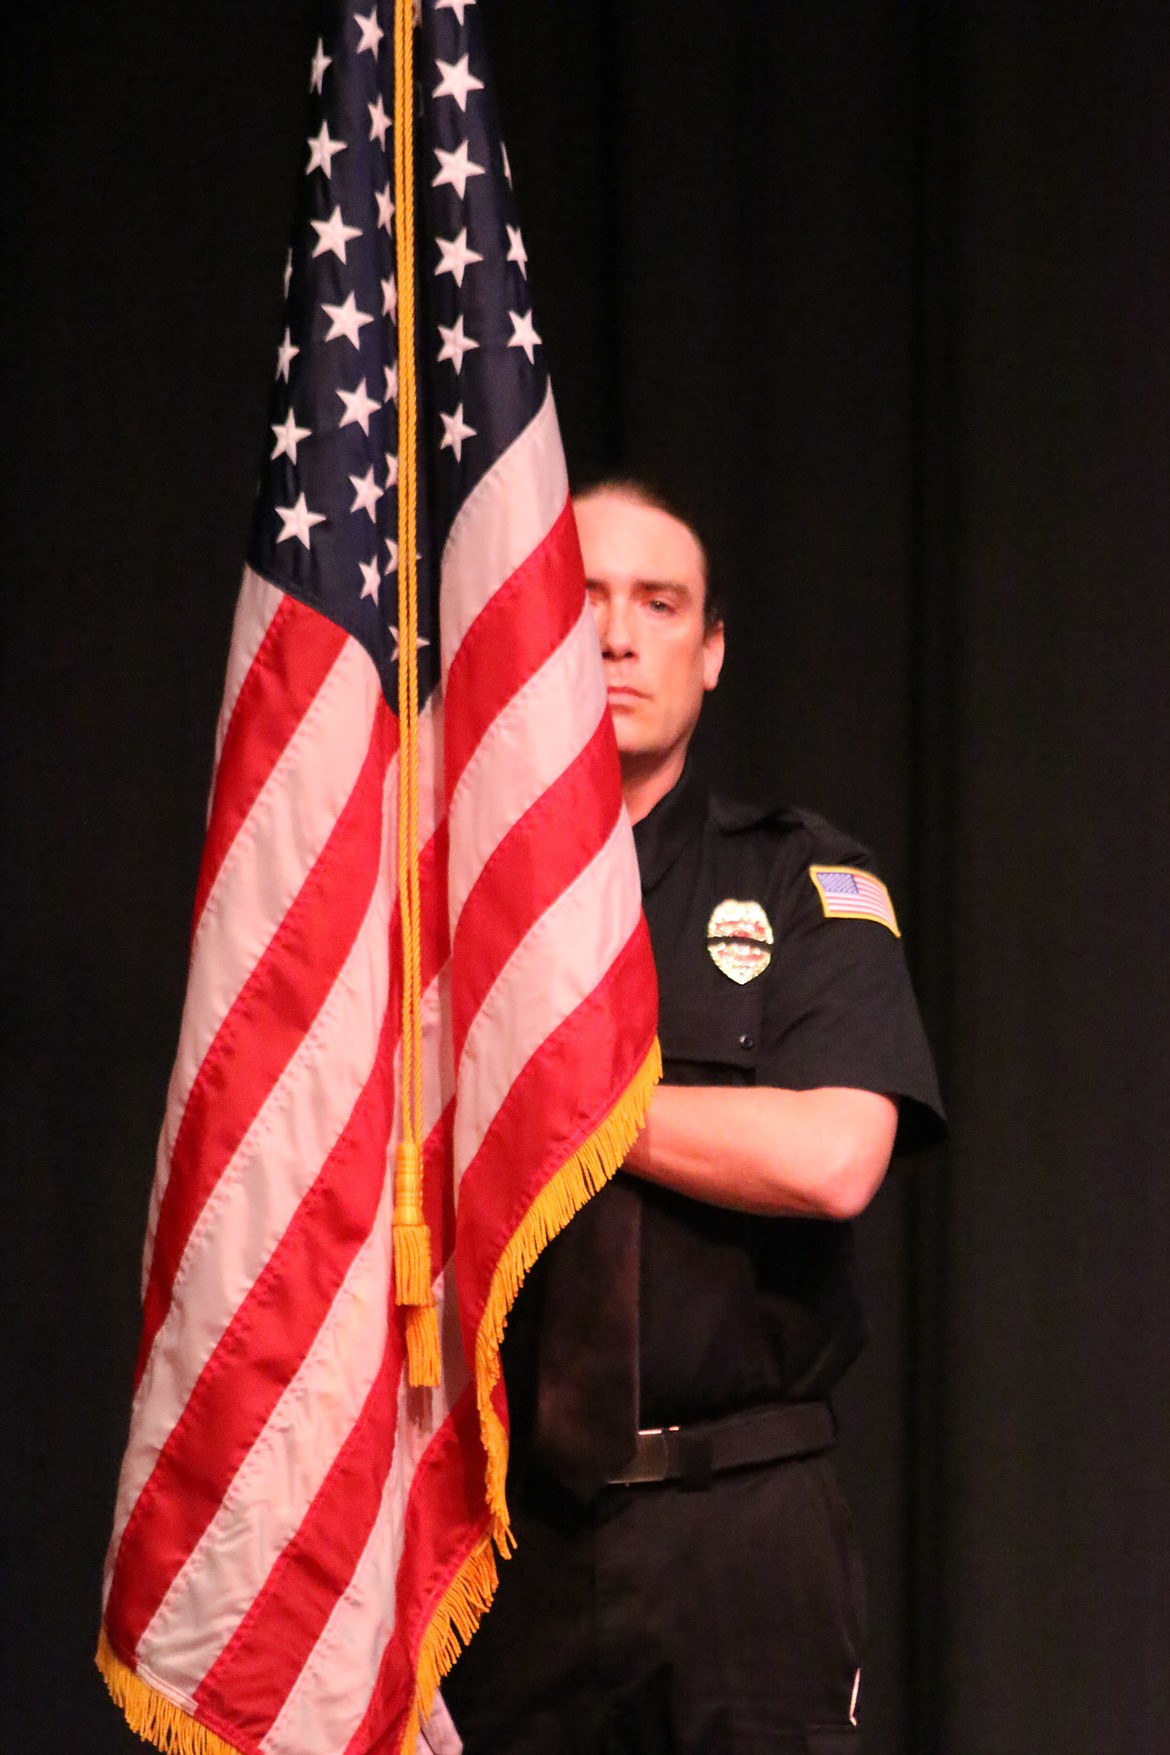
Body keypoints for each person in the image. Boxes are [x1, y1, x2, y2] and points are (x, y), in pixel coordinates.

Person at [443, 481, 946, 1754]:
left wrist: (561, 1107)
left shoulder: (800, 882)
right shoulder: (437, 904)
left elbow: (837, 1158)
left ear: (709, 651)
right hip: (502, 1541)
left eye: (657, 605)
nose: (614, 636)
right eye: (581, 600)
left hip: (742, 1533)